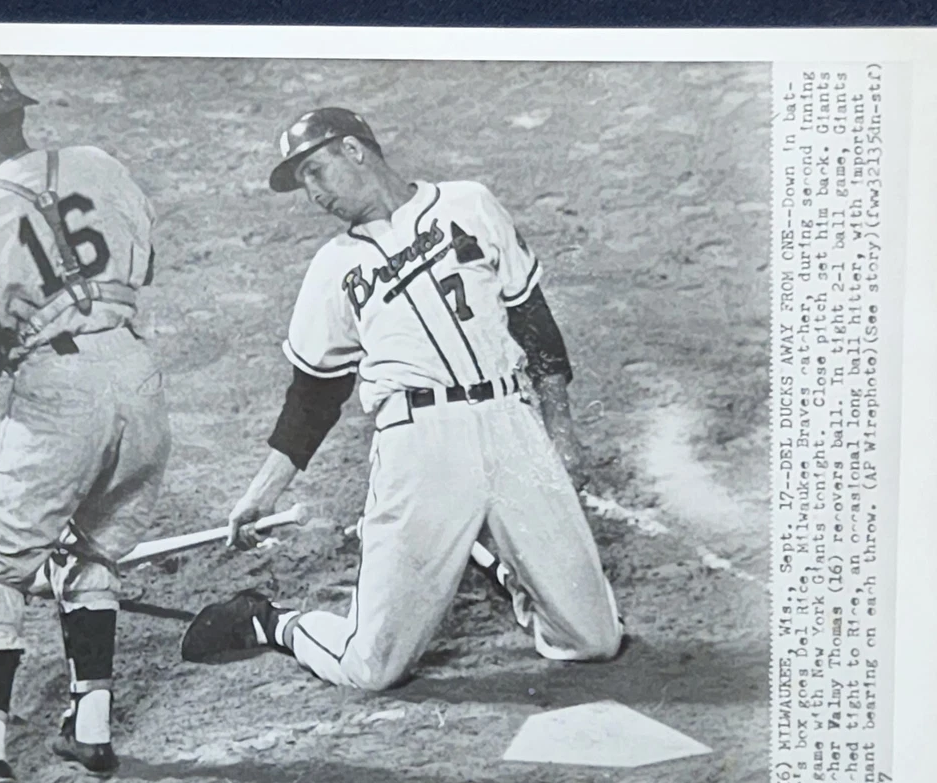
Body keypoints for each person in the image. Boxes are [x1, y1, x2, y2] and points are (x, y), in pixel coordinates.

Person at [182, 107, 622, 690]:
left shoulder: (470, 204)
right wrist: (263, 492)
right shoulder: (333, 268)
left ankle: (498, 563)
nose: (312, 193)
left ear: (355, 151)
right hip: (420, 449)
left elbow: (533, 322)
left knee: (594, 640)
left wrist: (562, 433)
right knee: (372, 667)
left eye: (315, 171)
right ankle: (271, 622)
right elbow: (313, 397)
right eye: (302, 183)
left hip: (511, 426)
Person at [0, 57, 172, 783]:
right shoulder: (100, 164)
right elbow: (147, 266)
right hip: (140, 380)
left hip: (59, 396)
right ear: (18, 118)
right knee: (92, 552)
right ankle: (90, 726)